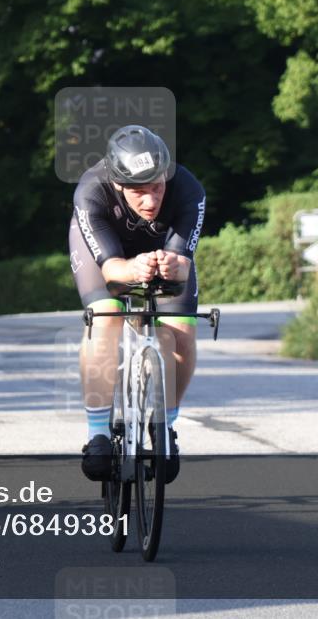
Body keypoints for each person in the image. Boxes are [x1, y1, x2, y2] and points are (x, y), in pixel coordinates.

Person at [69, 125, 206, 484]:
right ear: (117, 184)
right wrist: (133, 269)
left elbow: (182, 263)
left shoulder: (188, 188)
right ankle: (98, 433)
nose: (150, 201)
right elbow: (112, 271)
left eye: (157, 187)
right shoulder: (92, 191)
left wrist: (171, 266)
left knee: (181, 332)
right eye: (138, 191)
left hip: (162, 253)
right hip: (108, 256)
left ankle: (166, 425)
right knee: (107, 317)